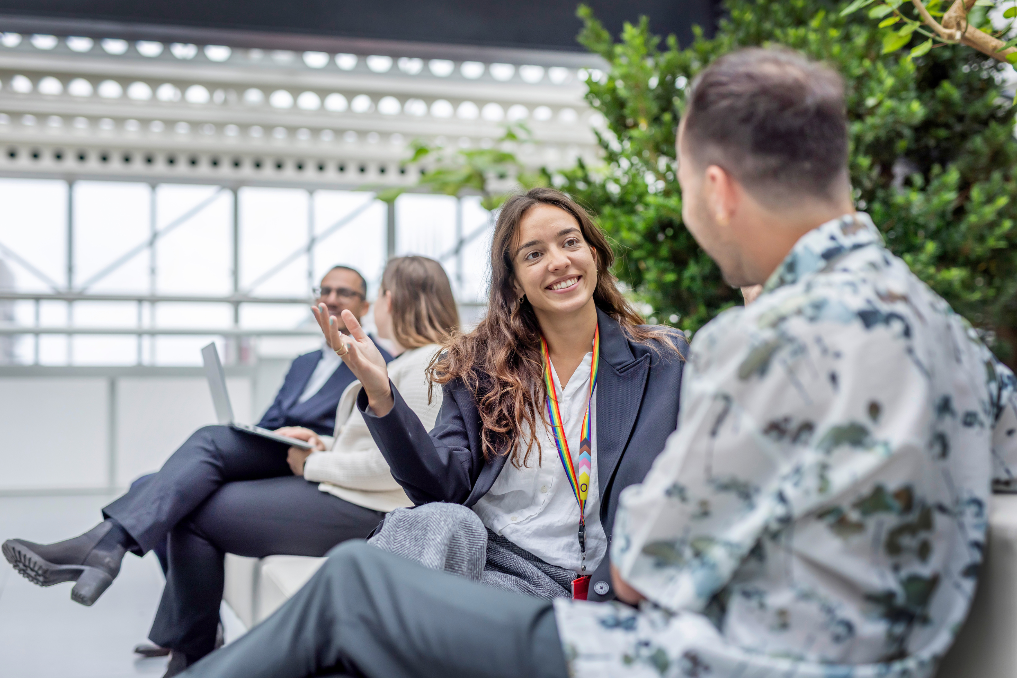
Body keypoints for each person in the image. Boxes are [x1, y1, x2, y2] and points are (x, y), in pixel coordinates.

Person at [178, 48, 1017, 678]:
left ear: (718, 189)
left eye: (684, 188)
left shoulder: (754, 340)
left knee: (356, 587)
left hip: (694, 658)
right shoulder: (950, 337)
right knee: (394, 574)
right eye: (532, 254)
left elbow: (644, 566)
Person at [1, 265, 395, 669]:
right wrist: (260, 433)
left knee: (206, 447)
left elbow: (362, 434)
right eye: (325, 289)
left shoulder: (376, 361)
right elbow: (273, 417)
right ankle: (178, 612)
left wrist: (313, 440)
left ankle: (107, 548)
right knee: (148, 484)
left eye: (344, 293)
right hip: (274, 448)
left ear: (365, 306)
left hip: (309, 459)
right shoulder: (304, 362)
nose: (331, 298)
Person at [314, 186, 688, 601]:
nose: (558, 261)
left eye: (569, 242)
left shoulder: (662, 360)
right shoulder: (482, 367)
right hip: (488, 556)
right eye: (534, 254)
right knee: (444, 522)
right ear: (514, 282)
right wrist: (381, 392)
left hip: (578, 582)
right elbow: (440, 488)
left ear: (594, 254)